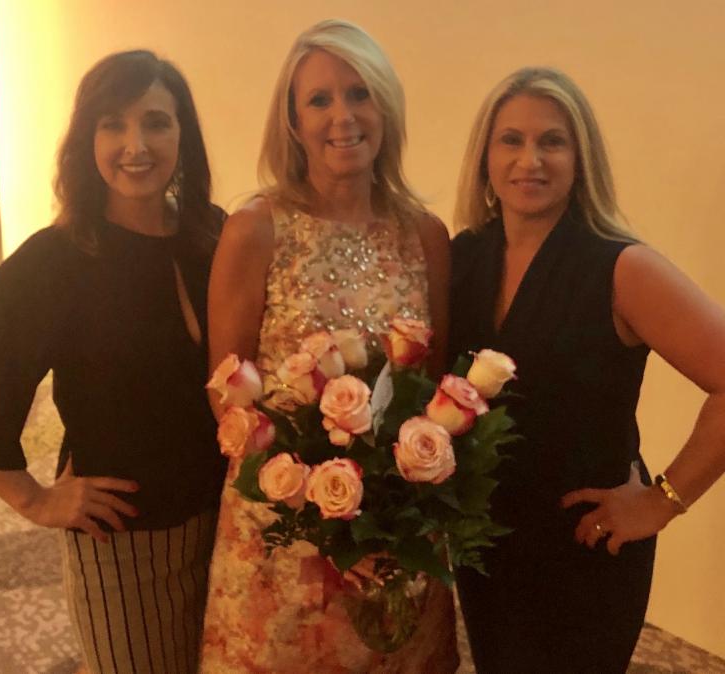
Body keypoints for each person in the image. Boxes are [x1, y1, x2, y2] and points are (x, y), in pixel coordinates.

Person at [0, 50, 227, 674]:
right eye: (113, 124)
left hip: (228, 528)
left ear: (183, 136)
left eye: (156, 122)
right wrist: (35, 501)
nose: (135, 145)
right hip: (125, 544)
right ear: (87, 140)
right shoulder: (58, 259)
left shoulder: (211, 236)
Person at [200, 19, 459, 673]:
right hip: (284, 532)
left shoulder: (424, 234)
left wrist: (392, 517)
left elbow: (430, 394)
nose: (343, 116)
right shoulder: (256, 229)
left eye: (359, 93)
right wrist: (325, 515)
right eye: (319, 100)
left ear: (385, 106)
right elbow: (230, 402)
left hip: (396, 534)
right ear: (293, 122)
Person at [448, 66, 725, 673]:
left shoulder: (622, 268)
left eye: (552, 141)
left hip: (587, 549)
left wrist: (662, 501)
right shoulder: (463, 258)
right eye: (511, 140)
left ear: (581, 159)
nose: (530, 160)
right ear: (485, 158)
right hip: (488, 546)